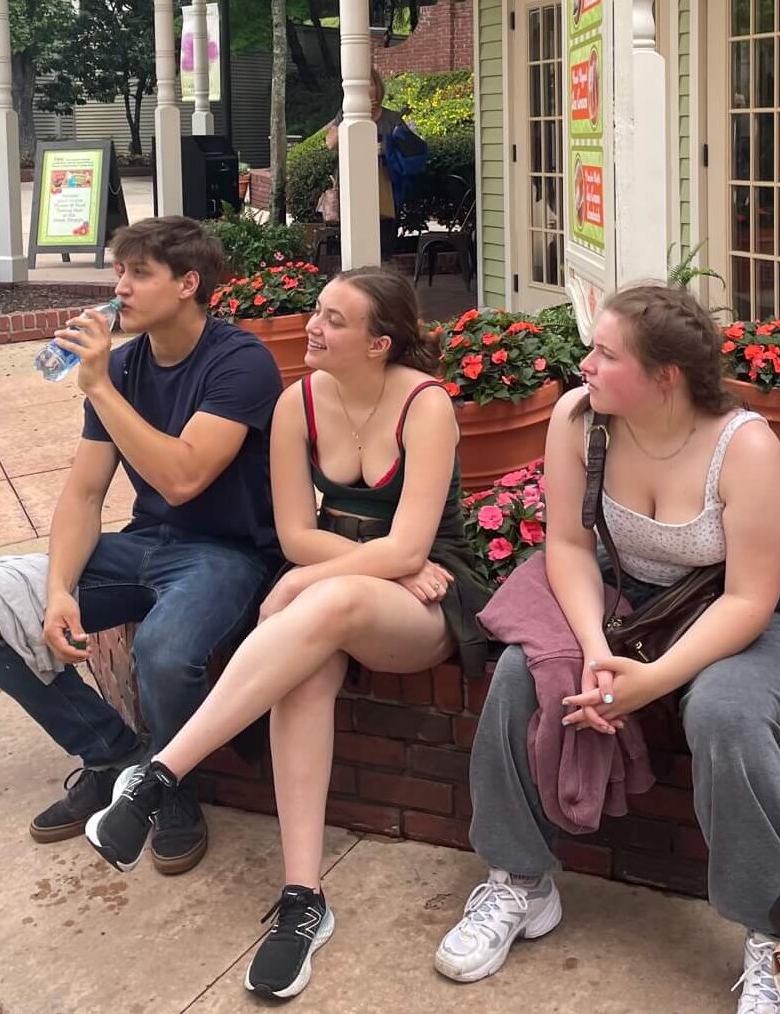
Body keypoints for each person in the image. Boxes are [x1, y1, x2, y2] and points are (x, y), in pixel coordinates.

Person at [85, 266, 490, 999]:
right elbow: (297, 536)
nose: (313, 325)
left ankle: (160, 773)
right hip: (350, 579)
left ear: (379, 343)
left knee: (324, 601)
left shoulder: (425, 404)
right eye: (316, 310)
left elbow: (410, 550)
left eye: (335, 319)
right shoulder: (296, 401)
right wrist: (340, 570)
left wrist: (317, 578)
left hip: (428, 595)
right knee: (303, 674)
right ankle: (303, 899)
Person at [434, 283, 780, 1014]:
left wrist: (654, 680)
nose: (585, 365)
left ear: (664, 376)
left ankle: (776, 932)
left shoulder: (745, 447)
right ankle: (519, 882)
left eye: (606, 355)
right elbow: (568, 547)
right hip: (619, 603)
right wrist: (589, 650)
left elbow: (749, 598)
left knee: (724, 715)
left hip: (737, 615)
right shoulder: (579, 419)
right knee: (523, 673)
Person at [0, 216, 283, 876]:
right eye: (119, 272)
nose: (120, 288)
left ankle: (169, 788)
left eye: (139, 274)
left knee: (164, 651)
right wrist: (57, 592)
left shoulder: (239, 361)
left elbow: (183, 478)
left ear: (188, 283)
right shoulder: (126, 365)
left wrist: (99, 385)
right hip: (143, 545)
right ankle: (114, 757)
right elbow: (83, 494)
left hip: (227, 552)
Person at [324, 69, 405, 261]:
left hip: (384, 187)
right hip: (353, 186)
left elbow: (407, 149)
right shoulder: (345, 116)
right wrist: (354, 115)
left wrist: (385, 148)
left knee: (384, 241)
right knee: (355, 239)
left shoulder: (392, 119)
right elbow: (331, 143)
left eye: (371, 84)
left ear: (378, 88)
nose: (367, 90)